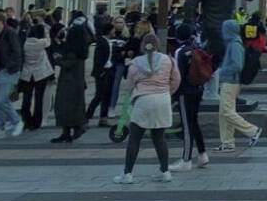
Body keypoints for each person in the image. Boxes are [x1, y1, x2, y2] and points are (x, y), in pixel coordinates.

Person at [114, 33, 182, 184]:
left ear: (142, 46)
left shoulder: (135, 63)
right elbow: (176, 79)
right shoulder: (168, 60)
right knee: (159, 137)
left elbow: (130, 85)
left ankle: (127, 174)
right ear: (157, 45)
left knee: (135, 138)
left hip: (143, 100)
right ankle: (164, 171)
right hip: (163, 99)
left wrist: (135, 96)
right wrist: (168, 91)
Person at [215, 18, 262, 151]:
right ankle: (227, 143)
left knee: (227, 112)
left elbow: (237, 64)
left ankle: (253, 131)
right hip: (229, 81)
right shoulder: (232, 43)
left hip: (231, 81)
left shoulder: (235, 44)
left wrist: (223, 71)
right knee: (224, 113)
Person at [170, 23, 209, 172]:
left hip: (184, 92)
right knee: (194, 122)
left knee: (186, 126)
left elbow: (177, 74)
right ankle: (202, 154)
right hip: (198, 89)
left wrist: (173, 94)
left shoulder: (180, 51)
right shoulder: (195, 48)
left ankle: (186, 160)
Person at [51, 13, 91, 143]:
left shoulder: (72, 51)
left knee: (66, 107)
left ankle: (75, 128)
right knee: (72, 107)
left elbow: (67, 64)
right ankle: (67, 132)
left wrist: (57, 59)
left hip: (69, 82)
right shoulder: (81, 50)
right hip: (76, 81)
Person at [0, 11, 23, 140]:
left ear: (0, 22)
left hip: (9, 71)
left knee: (2, 99)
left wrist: (10, 67)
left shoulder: (10, 34)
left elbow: (17, 53)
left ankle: (17, 121)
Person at [18, 23, 55, 131]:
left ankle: (26, 120)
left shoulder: (24, 43)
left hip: (27, 74)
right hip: (40, 74)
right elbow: (49, 41)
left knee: (26, 98)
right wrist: (47, 32)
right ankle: (36, 121)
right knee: (39, 99)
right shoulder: (42, 42)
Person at [85, 22, 115, 127]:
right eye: (112, 29)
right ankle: (87, 117)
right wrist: (101, 71)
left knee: (107, 95)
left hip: (109, 69)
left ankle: (103, 118)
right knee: (99, 95)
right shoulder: (101, 41)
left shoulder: (108, 41)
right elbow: (98, 58)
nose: (114, 31)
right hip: (103, 72)